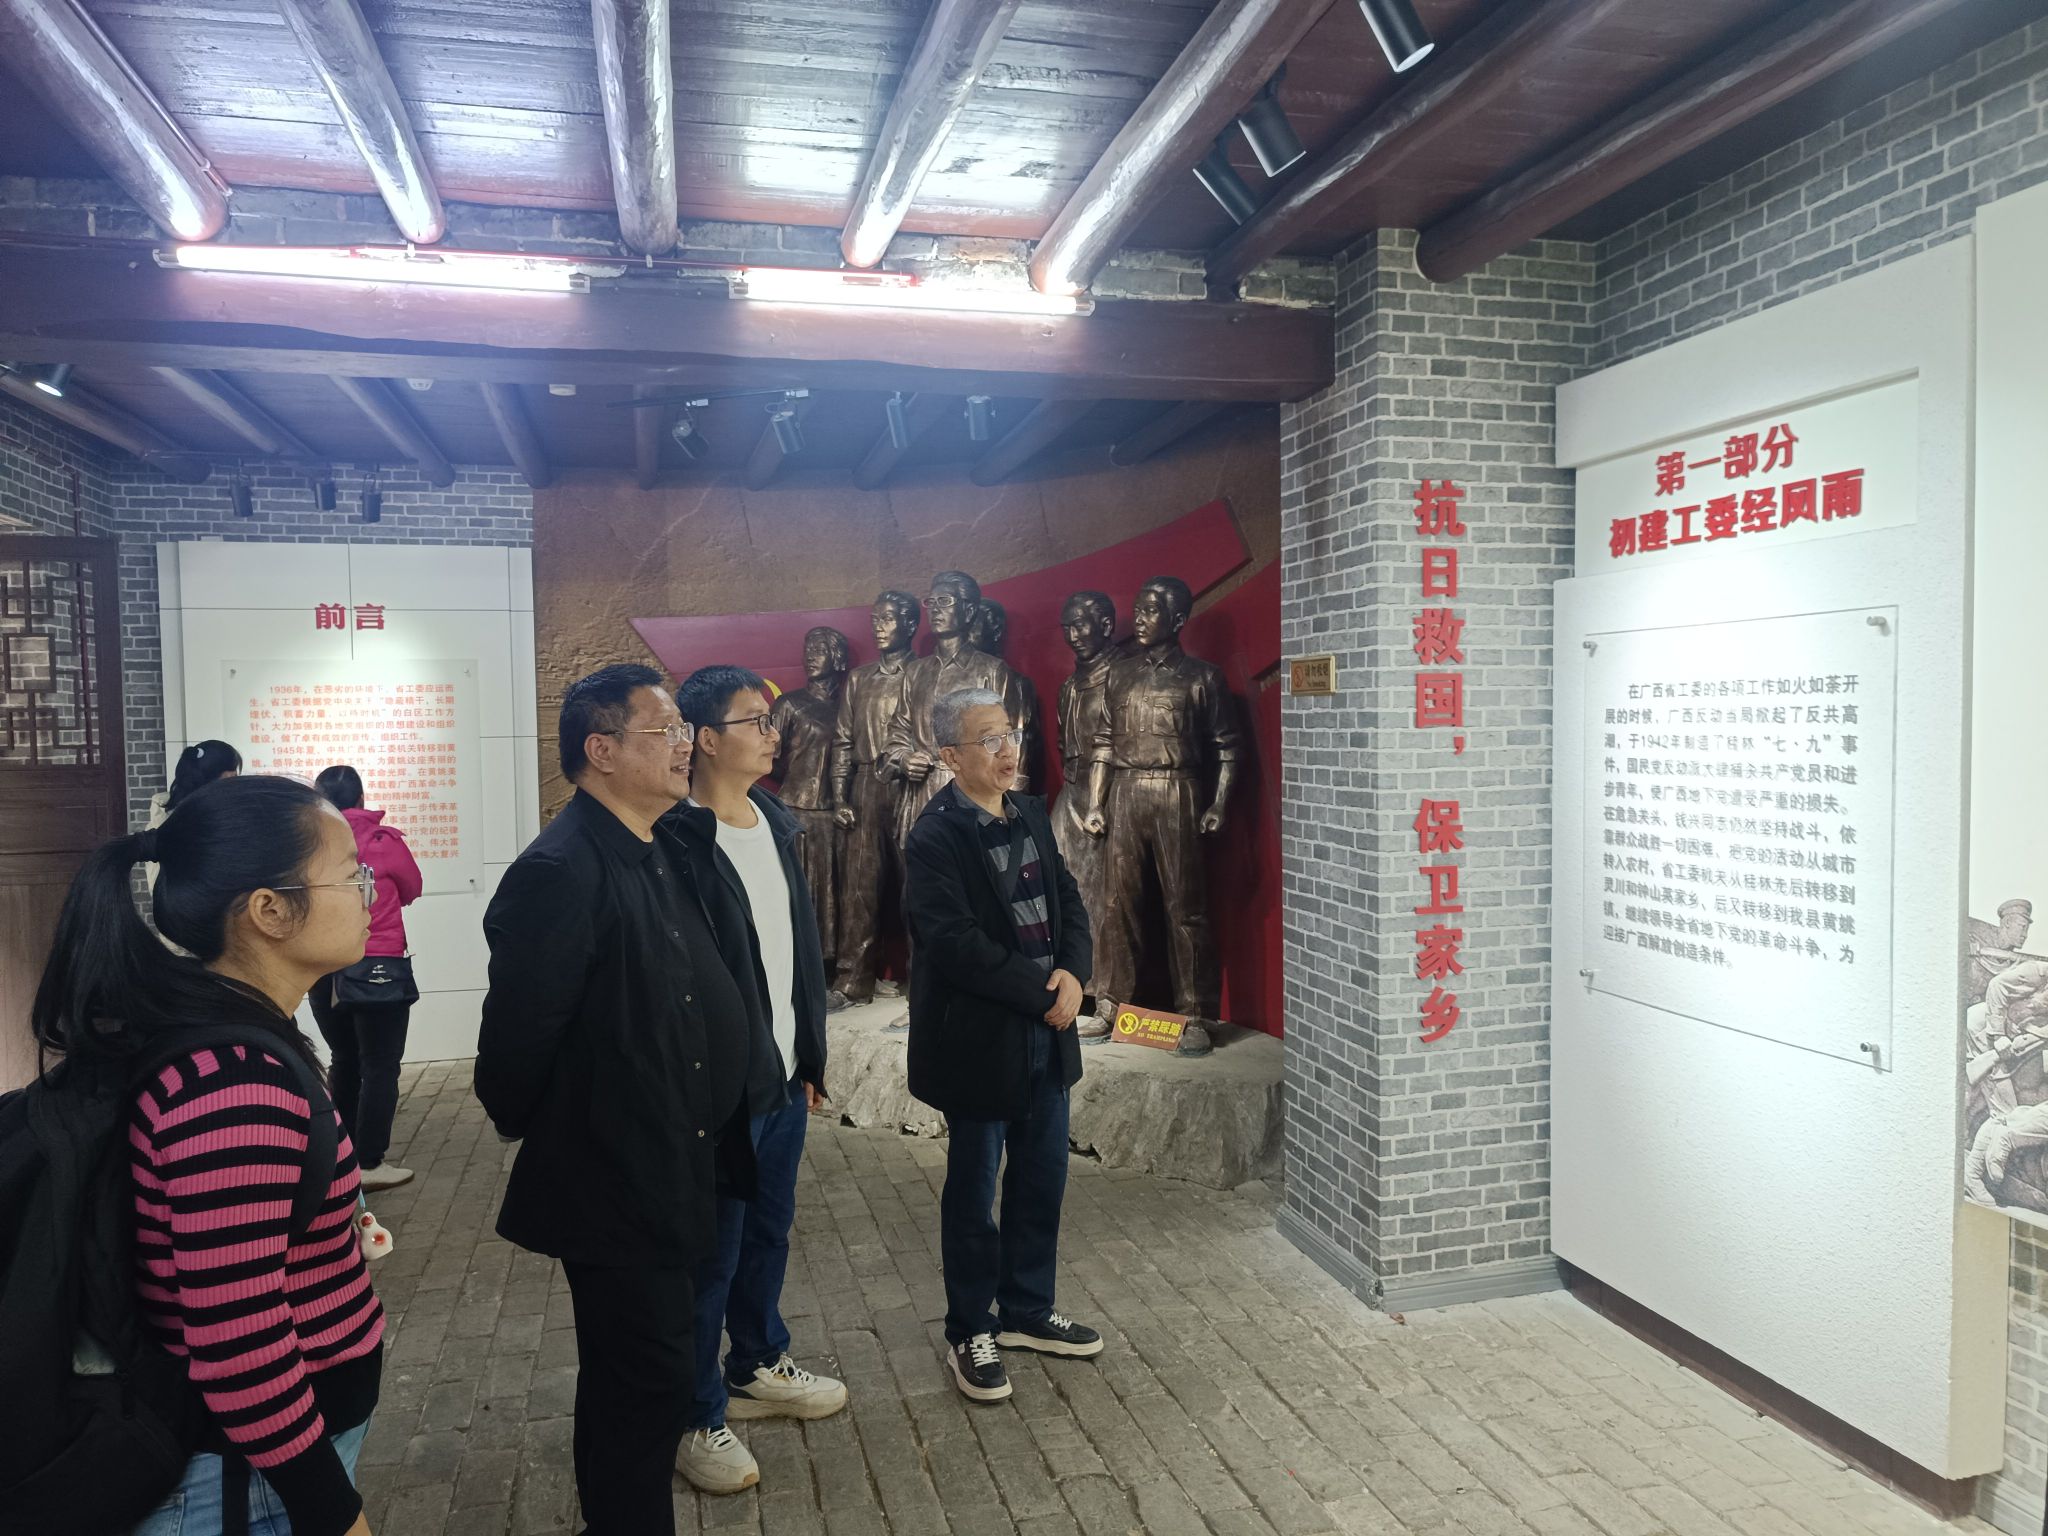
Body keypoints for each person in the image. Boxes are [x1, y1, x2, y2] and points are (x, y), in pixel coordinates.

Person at [33, 774, 384, 1536]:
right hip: (245, 1488)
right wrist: (335, 1515)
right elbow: (241, 1343)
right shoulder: (234, 1088)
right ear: (269, 911)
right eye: (350, 874)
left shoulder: (228, 1038)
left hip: (260, 1472)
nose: (371, 892)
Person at [475, 664, 753, 1536]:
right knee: (649, 1382)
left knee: (633, 1378)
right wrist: (578, 1127)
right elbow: (514, 1053)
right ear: (600, 751)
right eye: (662, 731)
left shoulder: (656, 843)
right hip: (617, 1174)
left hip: (675, 1158)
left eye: (682, 731)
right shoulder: (559, 871)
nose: (683, 746)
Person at [668, 666, 845, 1493]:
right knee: (710, 1254)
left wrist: (807, 1057)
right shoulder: (676, 839)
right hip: (718, 1095)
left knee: (769, 1233)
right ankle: (694, 1414)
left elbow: (795, 953)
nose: (773, 734)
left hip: (781, 1081)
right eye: (754, 721)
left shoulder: (775, 821)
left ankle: (756, 1362)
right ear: (706, 738)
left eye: (771, 721)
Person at [904, 687, 1101, 1404]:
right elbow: (954, 944)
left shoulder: (1029, 813)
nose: (1007, 749)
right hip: (981, 1042)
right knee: (974, 1193)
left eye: (1010, 734)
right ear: (950, 756)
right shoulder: (935, 837)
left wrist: (1074, 973)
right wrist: (1044, 993)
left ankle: (1026, 1308)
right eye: (988, 739)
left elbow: (1068, 898)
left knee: (1042, 1179)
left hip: (1047, 1033)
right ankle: (969, 1328)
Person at [308, 765, 424, 1192]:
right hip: (378, 968)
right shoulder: (383, 842)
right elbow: (412, 887)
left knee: (344, 1059)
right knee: (380, 1065)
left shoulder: (307, 844)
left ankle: (341, 1158)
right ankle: (370, 1163)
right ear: (360, 799)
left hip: (323, 967)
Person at [830, 591, 921, 1008]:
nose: (878, 626)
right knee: (859, 887)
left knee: (917, 886)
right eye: (875, 619)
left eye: (887, 619)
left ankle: (922, 981)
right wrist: (839, 796)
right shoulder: (859, 679)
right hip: (866, 784)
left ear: (910, 624)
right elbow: (842, 741)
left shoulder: (923, 673)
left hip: (912, 786)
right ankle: (852, 981)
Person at [145, 740, 241, 892]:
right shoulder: (200, 822)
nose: (237, 784)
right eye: (234, 777)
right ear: (225, 777)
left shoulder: (165, 816)